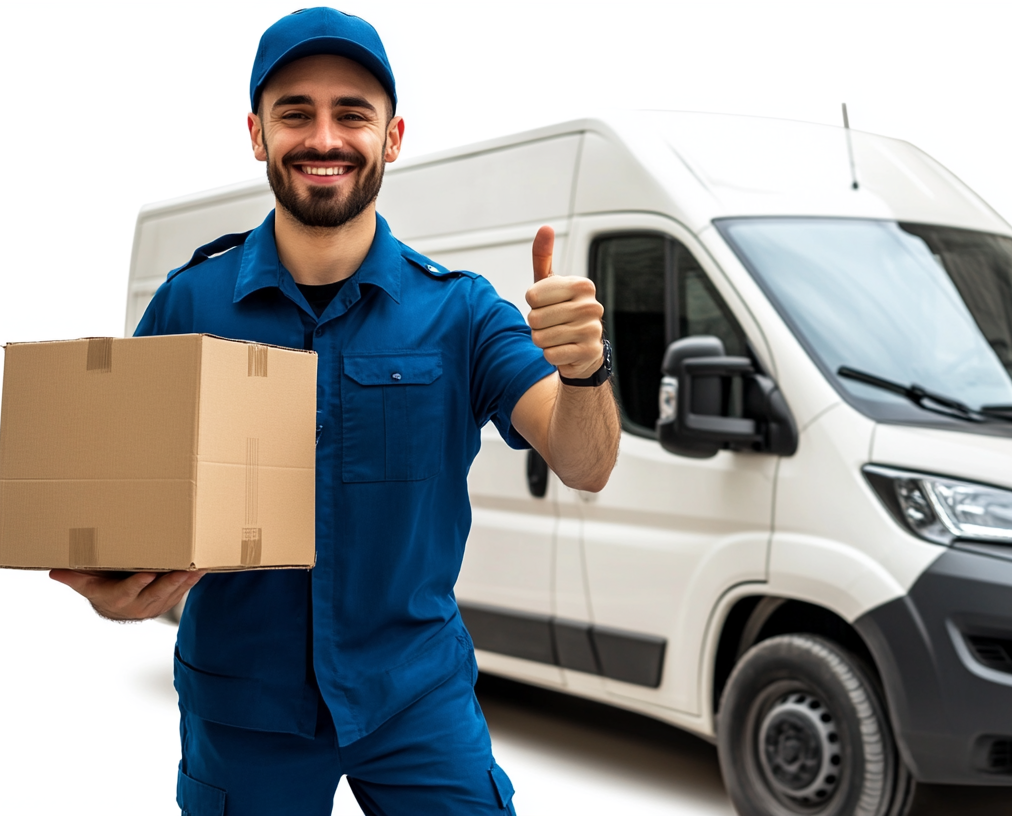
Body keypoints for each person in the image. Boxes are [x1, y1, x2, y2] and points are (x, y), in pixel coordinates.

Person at [47, 8, 620, 814]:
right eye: (295, 113)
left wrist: (587, 369)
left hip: (414, 699)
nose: (324, 138)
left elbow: (586, 462)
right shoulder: (187, 304)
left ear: (391, 137)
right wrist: (112, 592)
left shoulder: (461, 313)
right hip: (243, 708)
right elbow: (124, 509)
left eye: (352, 113)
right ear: (257, 134)